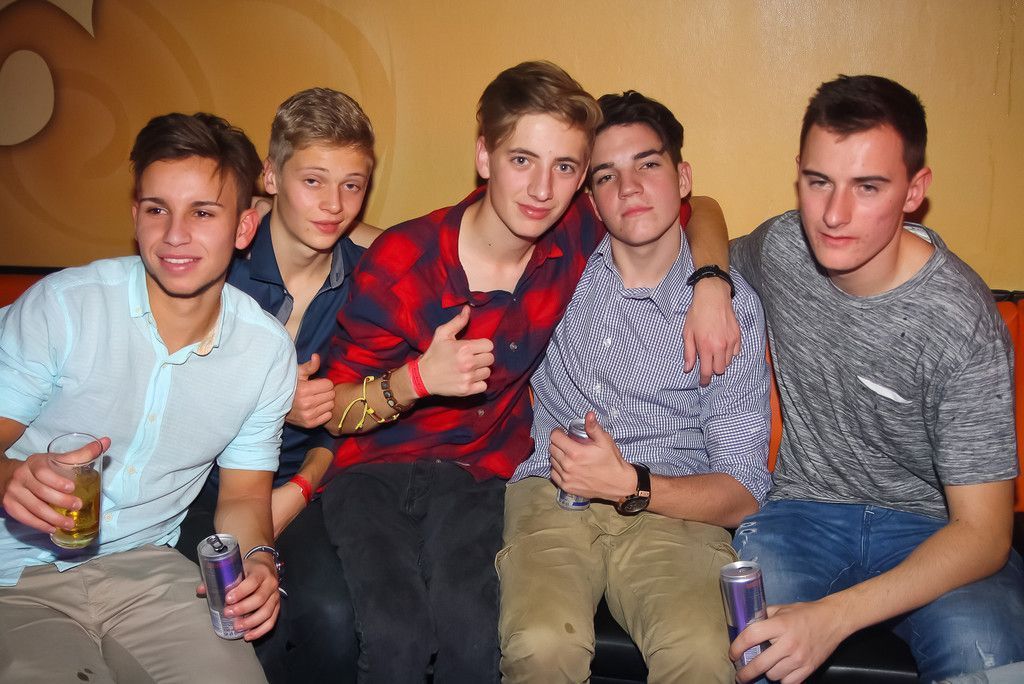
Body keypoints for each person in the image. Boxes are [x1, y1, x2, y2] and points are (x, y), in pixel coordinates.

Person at [318, 61, 736, 683]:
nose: (542, 189)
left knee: (474, 634)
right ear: (484, 156)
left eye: (564, 167)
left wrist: (712, 282)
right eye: (522, 160)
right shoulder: (404, 261)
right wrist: (416, 381)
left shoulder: (575, 233)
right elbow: (334, 411)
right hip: (375, 472)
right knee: (394, 638)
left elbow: (698, 206)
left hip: (479, 476)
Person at [689, 75, 1024, 682]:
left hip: (936, 532)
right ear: (798, 175)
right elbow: (703, 209)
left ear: (914, 191)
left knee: (989, 657)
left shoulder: (960, 320)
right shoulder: (786, 247)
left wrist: (833, 618)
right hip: (802, 515)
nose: (834, 214)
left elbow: (985, 533)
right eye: (819, 181)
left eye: (868, 186)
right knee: (750, 647)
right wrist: (711, 282)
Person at [0, 112, 295, 681]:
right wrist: (10, 477)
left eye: (202, 212)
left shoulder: (265, 352)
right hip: (14, 574)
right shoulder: (64, 308)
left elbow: (242, 496)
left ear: (244, 227)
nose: (175, 235)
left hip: (150, 572)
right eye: (158, 209)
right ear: (136, 217)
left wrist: (259, 559)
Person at [497, 90, 771, 683]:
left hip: (675, 510)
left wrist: (631, 485)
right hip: (552, 489)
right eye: (606, 176)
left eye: (648, 164)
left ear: (683, 178)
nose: (629, 188)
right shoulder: (555, 266)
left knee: (701, 654)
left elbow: (744, 489)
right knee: (541, 646)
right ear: (590, 201)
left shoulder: (729, 313)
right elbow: (467, 229)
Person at [175, 88, 380, 682]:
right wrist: (269, 400)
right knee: (231, 624)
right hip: (197, 484)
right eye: (313, 180)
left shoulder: (370, 279)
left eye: (352, 185)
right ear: (270, 176)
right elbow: (166, 394)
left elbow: (365, 416)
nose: (334, 205)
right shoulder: (220, 263)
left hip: (305, 483)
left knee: (334, 622)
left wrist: (300, 490)